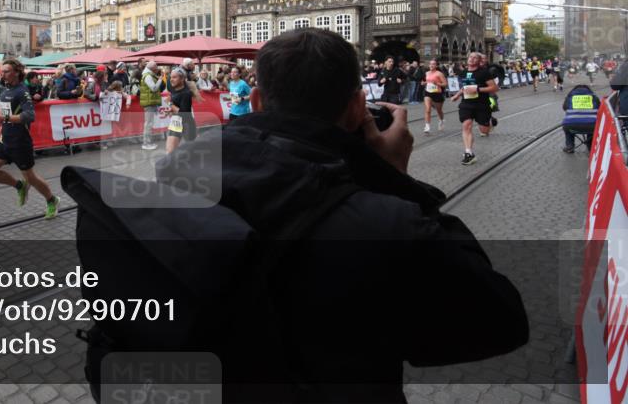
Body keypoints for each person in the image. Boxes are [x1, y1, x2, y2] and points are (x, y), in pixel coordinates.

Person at [149, 28, 528, 400]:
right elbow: (500, 323)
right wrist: (393, 179)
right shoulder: (385, 221)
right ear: (358, 107)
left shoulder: (173, 178)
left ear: (259, 101)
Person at [0, 59, 59, 219]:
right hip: (4, 140)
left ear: (16, 72)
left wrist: (5, 117)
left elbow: (29, 116)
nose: (2, 74)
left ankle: (52, 200)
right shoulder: (4, 90)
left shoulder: (21, 91)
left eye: (6, 71)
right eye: (1, 71)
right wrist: (3, 118)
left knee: (31, 177)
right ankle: (19, 186)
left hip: (20, 142)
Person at [450, 52, 499, 165]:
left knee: (484, 130)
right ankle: (469, 153)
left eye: (475, 58)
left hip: (481, 104)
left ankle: (490, 121)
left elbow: (494, 88)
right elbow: (465, 86)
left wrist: (477, 89)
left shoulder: (484, 73)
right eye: (470, 57)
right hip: (466, 104)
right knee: (466, 125)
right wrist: (457, 95)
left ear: (479, 61)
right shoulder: (463, 73)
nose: (471, 59)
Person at [165, 67, 196, 154]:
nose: (171, 79)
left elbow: (184, 112)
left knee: (191, 151)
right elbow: (177, 107)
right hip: (176, 122)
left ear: (182, 79)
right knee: (169, 150)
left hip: (186, 123)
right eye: (171, 77)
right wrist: (170, 111)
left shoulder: (186, 93)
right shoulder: (174, 90)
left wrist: (170, 104)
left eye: (174, 77)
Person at [139, 61, 165, 150]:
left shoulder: (148, 75)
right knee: (148, 124)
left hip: (149, 101)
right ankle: (146, 143)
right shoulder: (148, 76)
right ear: (152, 67)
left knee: (149, 123)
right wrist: (160, 79)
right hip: (149, 103)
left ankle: (147, 142)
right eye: (156, 66)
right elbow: (154, 88)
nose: (157, 68)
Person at [422, 59, 448, 134]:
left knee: (439, 110)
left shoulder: (439, 74)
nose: (431, 65)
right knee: (427, 109)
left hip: (437, 93)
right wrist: (424, 83)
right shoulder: (426, 73)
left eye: (433, 64)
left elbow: (445, 84)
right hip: (428, 92)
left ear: (436, 66)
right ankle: (427, 126)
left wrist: (437, 83)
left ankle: (441, 120)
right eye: (430, 64)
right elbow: (426, 81)